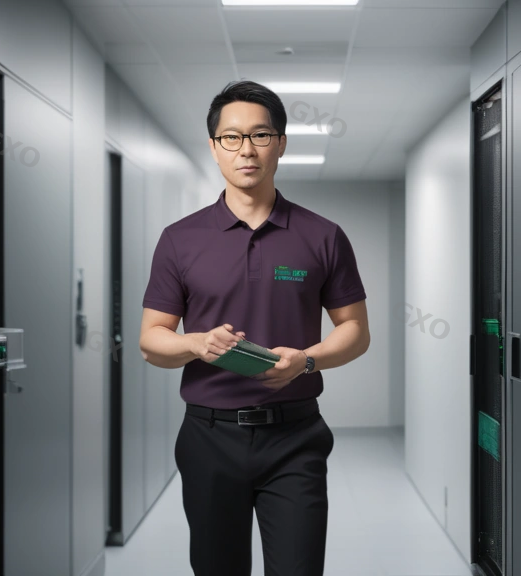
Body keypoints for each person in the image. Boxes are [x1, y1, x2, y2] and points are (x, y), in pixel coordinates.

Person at [138, 79, 370, 576]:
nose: (246, 149)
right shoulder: (179, 240)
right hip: (208, 437)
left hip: (295, 437)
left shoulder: (323, 236)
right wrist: (197, 344)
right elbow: (151, 341)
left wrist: (307, 361)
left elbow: (355, 330)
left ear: (281, 144)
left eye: (261, 135)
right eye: (231, 137)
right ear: (214, 147)